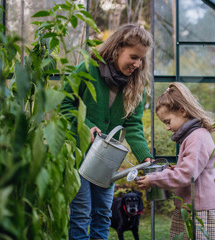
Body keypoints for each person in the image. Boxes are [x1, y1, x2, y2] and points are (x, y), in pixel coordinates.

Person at [61, 24, 154, 240]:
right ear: (117, 48)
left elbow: (133, 125)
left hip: (107, 161)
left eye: (141, 59)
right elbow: (65, 105)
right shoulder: (87, 68)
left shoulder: (135, 84)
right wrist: (85, 126)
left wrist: (144, 156)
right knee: (81, 214)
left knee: (103, 214)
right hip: (80, 156)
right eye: (133, 56)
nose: (137, 64)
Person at [136, 82, 215, 240]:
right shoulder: (194, 136)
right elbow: (194, 169)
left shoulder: (197, 137)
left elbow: (187, 174)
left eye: (168, 121)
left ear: (182, 111)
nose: (168, 128)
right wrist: (174, 169)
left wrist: (153, 180)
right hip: (191, 208)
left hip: (200, 213)